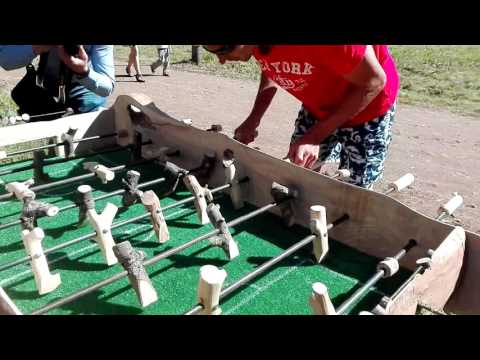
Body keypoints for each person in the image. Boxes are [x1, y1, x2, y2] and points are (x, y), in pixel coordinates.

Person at [202, 45, 399, 189]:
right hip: (319, 101)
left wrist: (314, 137)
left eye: (222, 51)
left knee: (356, 189)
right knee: (297, 174)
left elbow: (374, 81)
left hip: (367, 105)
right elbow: (271, 62)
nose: (221, 60)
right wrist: (254, 117)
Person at [0, 45, 115, 116]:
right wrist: (36, 47)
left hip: (87, 100)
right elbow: (5, 60)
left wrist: (84, 72)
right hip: (45, 94)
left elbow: (107, 87)